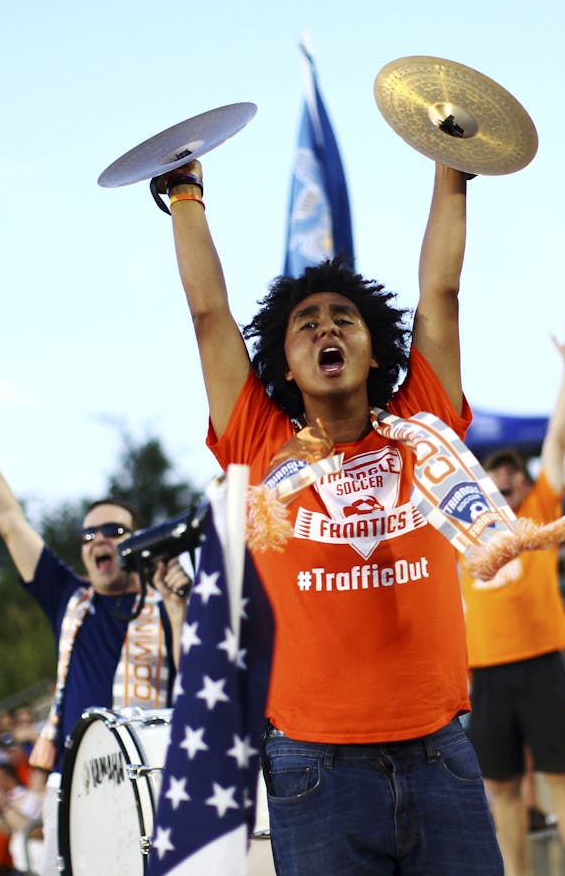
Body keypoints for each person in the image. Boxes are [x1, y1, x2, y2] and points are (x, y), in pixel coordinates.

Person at [159, 158, 501, 873]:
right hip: (313, 766)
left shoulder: (425, 421)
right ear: (284, 364)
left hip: (442, 750)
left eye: (343, 318)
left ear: (374, 347)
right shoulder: (256, 440)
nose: (325, 329)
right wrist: (185, 191)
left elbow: (442, 291)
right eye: (305, 325)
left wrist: (451, 165)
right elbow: (208, 317)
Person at [0, 404, 190, 876]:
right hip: (72, 783)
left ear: (138, 543)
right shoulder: (68, 597)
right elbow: (9, 521)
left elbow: (198, 679)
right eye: (88, 533)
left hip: (151, 779)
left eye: (114, 531)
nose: (97, 539)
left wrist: (181, 607)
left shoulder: (168, 602)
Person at [460, 317, 565, 876]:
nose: (508, 481)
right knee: (503, 788)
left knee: (561, 775)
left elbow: (557, 438)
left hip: (540, 662)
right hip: (484, 674)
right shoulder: (460, 535)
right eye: (498, 476)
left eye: (515, 474)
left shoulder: (539, 513)